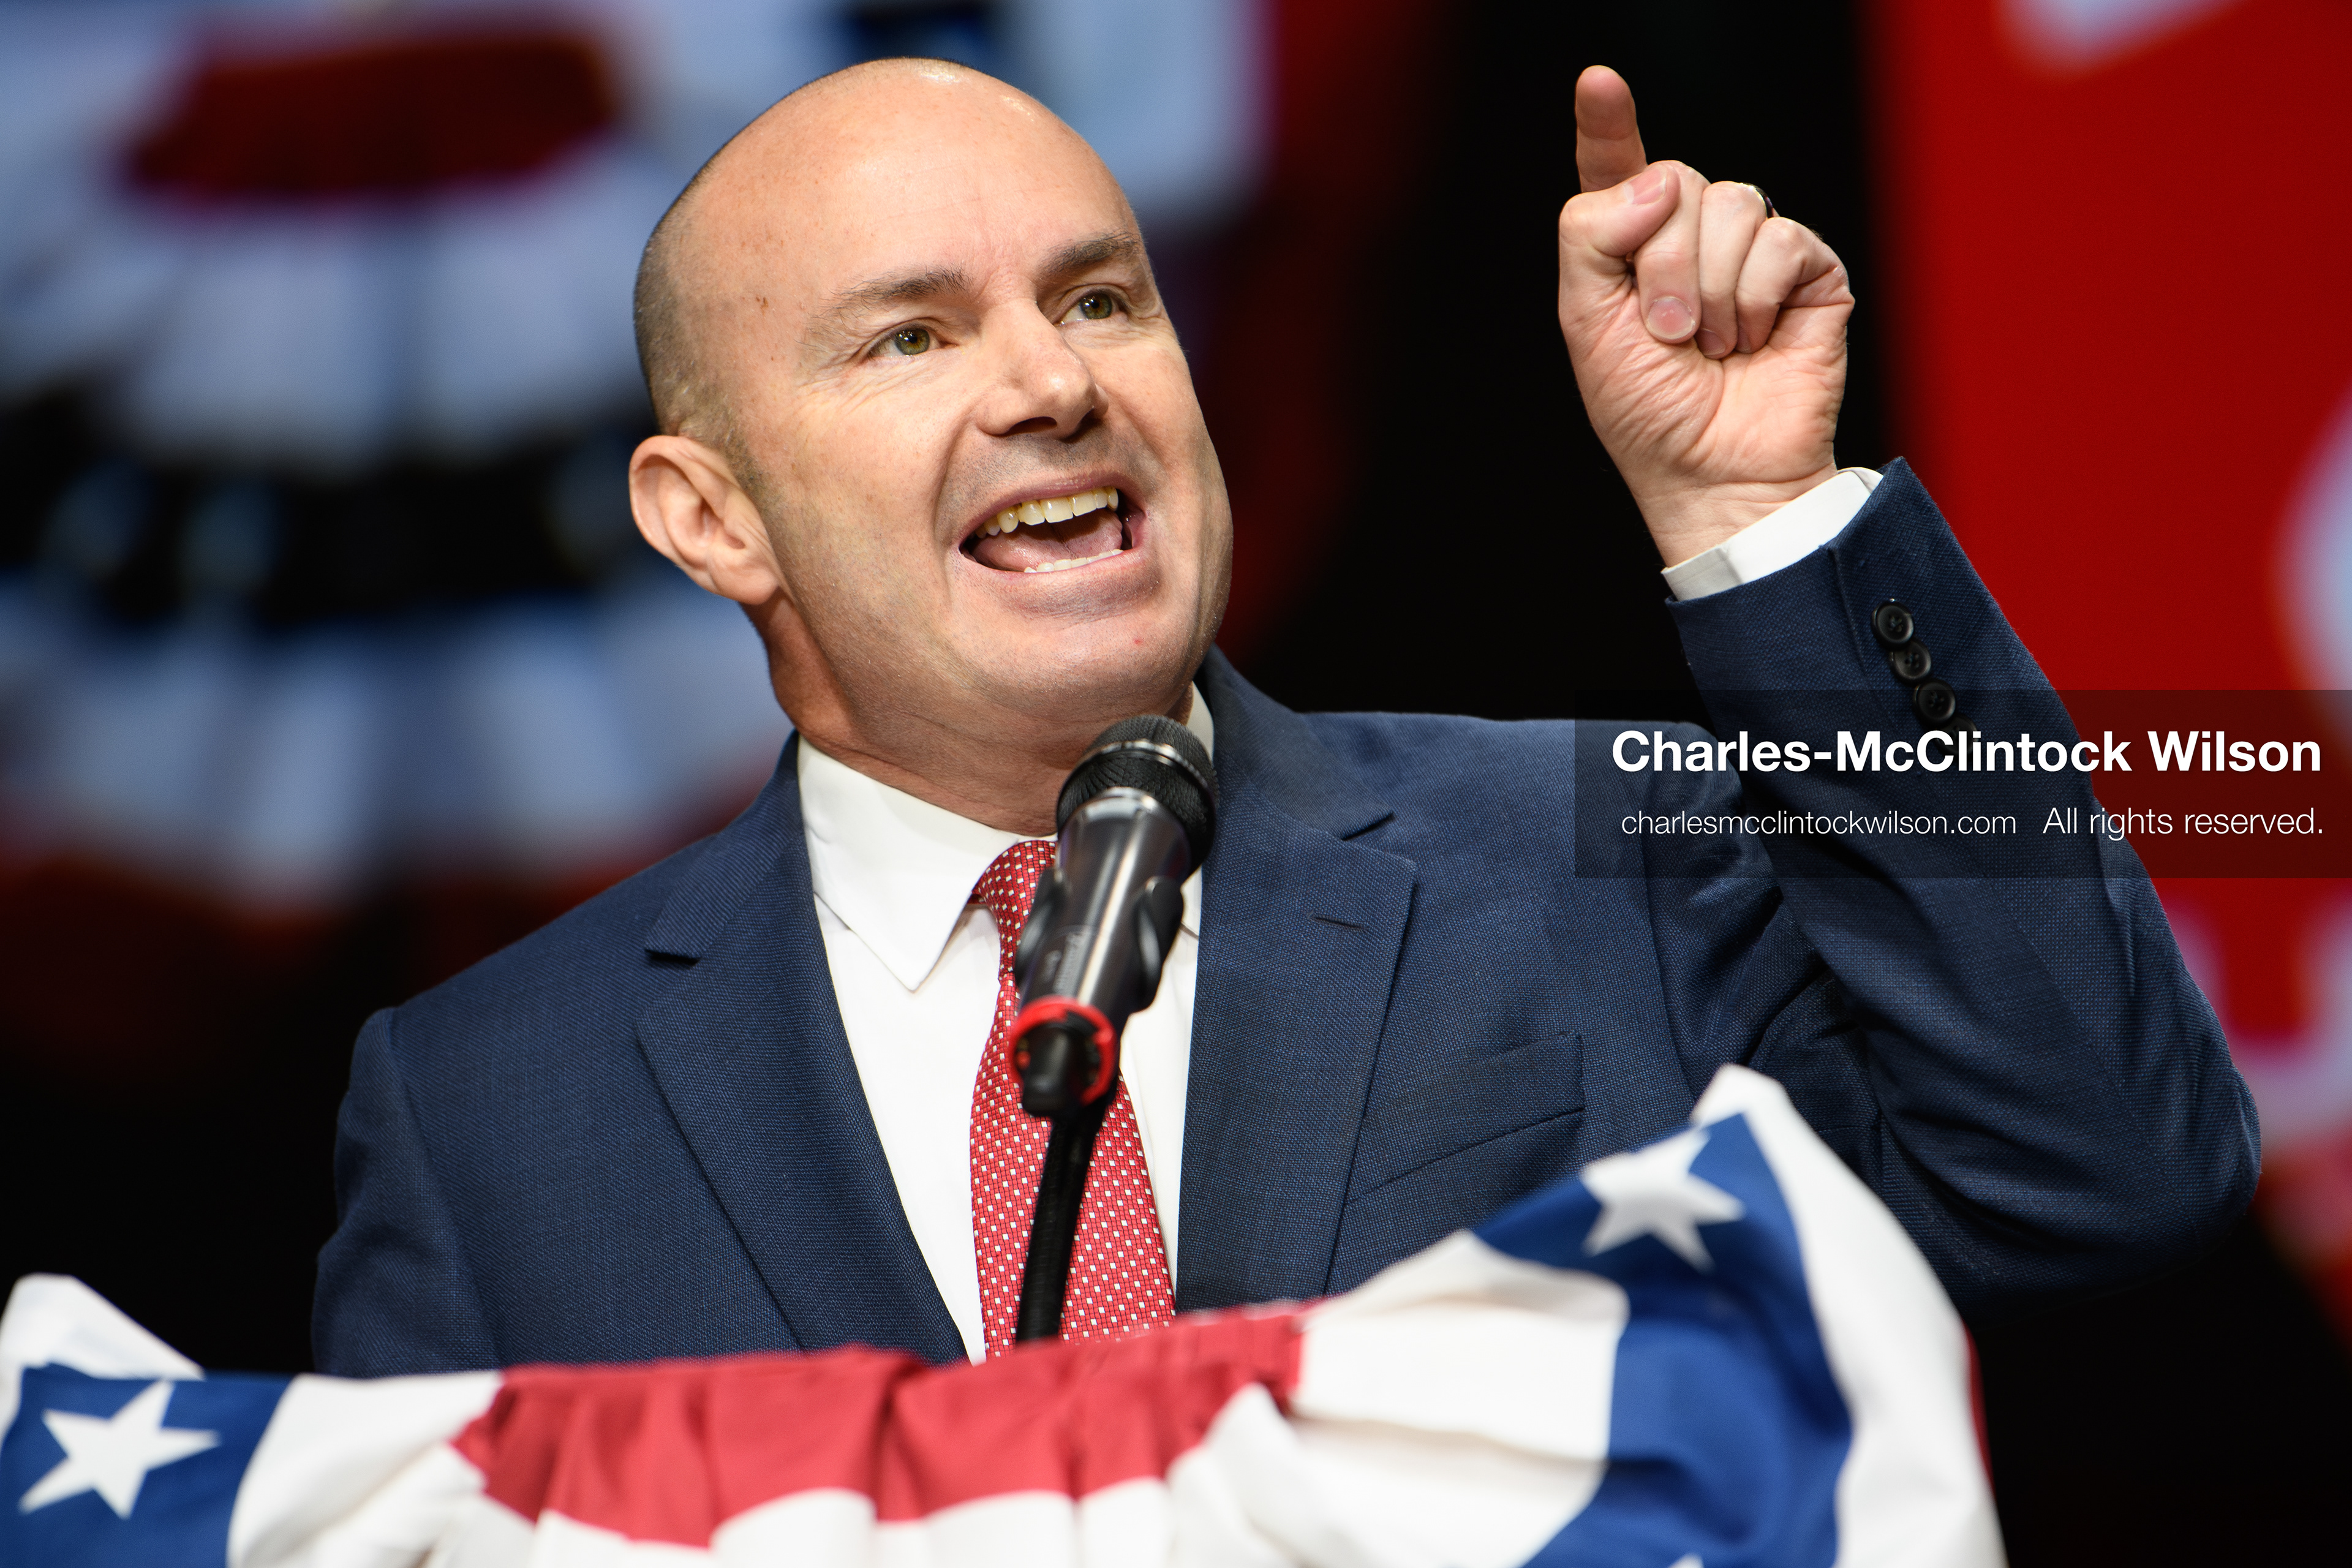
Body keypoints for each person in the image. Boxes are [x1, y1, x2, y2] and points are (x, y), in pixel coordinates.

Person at [313, 58, 2254, 1373]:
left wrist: (1761, 527)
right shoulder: (488, 1113)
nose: (1050, 385)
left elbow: (2109, 1177)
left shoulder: (1609, 857)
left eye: (1103, 299)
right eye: (911, 335)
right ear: (710, 515)